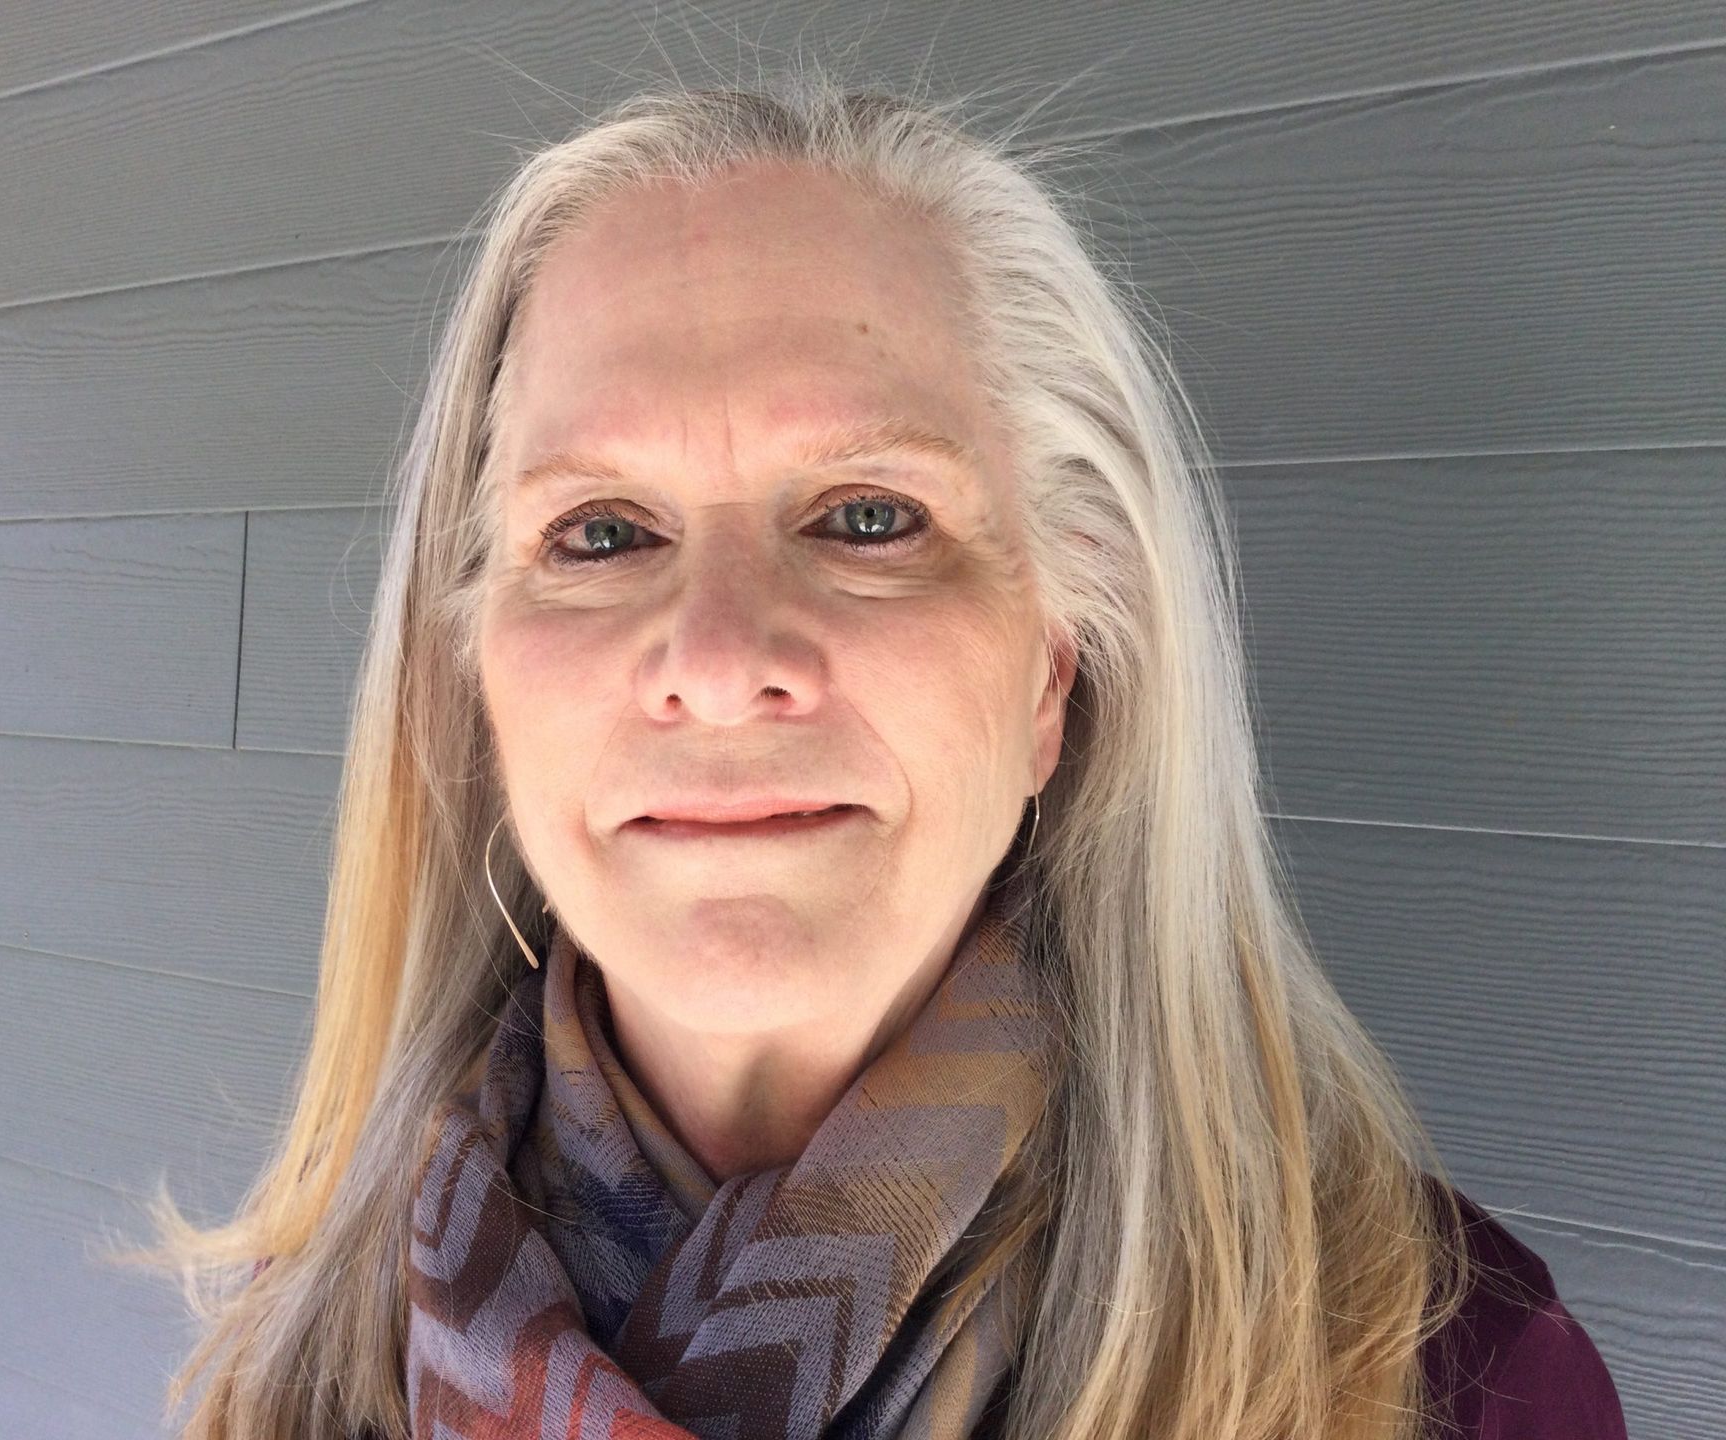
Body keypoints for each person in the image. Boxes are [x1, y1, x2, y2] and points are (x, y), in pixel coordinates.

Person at [104, 64, 1627, 1440]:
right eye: (602, 533)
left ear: (1055, 674)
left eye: (869, 518)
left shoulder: (1454, 1379)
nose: (715, 662)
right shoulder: (302, 1360)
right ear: (479, 684)